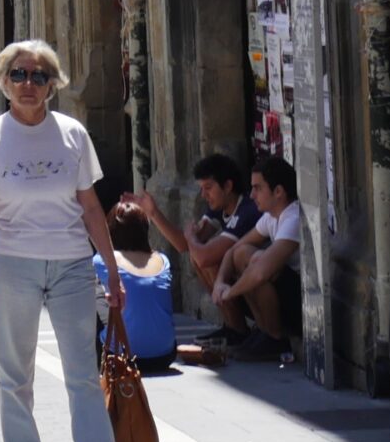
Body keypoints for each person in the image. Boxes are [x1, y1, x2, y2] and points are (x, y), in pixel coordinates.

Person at [0, 37, 134, 442]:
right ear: (2, 81)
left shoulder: (73, 135)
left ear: (53, 84)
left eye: (40, 76)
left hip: (72, 266)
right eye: (18, 74)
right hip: (12, 264)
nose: (29, 84)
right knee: (15, 378)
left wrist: (112, 273)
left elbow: (91, 207)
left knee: (83, 377)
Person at [117, 150, 261, 292]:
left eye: (208, 188)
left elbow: (204, 257)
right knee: (197, 257)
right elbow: (183, 245)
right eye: (202, 189)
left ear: (228, 186)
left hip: (262, 280)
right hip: (243, 283)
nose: (204, 195)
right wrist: (153, 213)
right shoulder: (220, 208)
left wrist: (190, 236)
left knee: (204, 259)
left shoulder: (246, 211)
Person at [212, 156, 304, 358]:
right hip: (287, 295)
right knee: (243, 254)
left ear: (278, 191)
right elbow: (233, 251)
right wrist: (219, 283)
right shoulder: (271, 217)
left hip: (305, 303)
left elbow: (262, 272)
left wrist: (230, 293)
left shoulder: (294, 217)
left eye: (258, 188)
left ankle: (275, 338)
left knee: (256, 262)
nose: (252, 195)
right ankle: (263, 331)